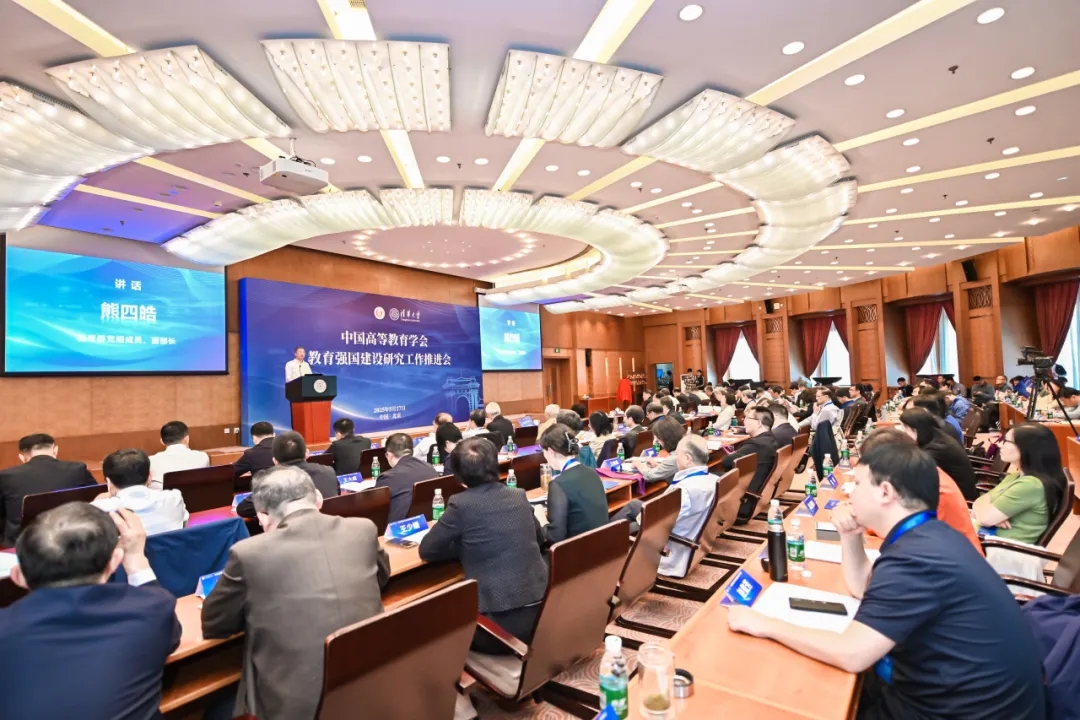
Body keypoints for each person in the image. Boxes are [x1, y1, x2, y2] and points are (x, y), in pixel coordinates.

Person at [727, 442, 1046, 720]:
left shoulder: (917, 559)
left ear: (885, 492)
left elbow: (852, 654)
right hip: (956, 696)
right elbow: (862, 588)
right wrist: (850, 537)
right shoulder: (928, 536)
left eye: (857, 484)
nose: (850, 492)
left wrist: (764, 623)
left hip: (953, 711)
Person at [203, 466, 389, 720]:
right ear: (318, 499)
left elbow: (214, 622)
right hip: (371, 683)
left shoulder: (248, 553)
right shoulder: (362, 529)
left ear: (262, 516)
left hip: (294, 709)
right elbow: (382, 577)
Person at [0, 504, 181, 720]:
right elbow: (171, 636)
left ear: (18, 576)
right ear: (114, 562)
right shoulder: (152, 611)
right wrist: (136, 561)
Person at [419, 438, 547, 653]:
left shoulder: (461, 504)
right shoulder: (518, 495)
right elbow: (539, 538)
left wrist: (464, 547)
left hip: (496, 630)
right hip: (540, 616)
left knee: (431, 617)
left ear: (458, 474)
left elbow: (427, 550)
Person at [859, 428, 982, 553]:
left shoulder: (931, 489)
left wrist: (868, 521)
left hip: (950, 558)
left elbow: (904, 534)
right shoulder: (918, 474)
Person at [615, 435, 719, 577]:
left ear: (687, 458)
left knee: (618, 529)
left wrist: (640, 519)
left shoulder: (682, 491)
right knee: (634, 505)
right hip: (685, 526)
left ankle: (600, 545)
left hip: (670, 545)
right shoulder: (713, 479)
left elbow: (655, 523)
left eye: (677, 454)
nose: (675, 458)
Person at [973, 423, 1066, 544]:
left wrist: (985, 511)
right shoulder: (1015, 476)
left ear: (1026, 448)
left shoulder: (1031, 485)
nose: (999, 444)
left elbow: (984, 518)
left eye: (1006, 441)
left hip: (999, 548)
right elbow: (980, 504)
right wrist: (984, 509)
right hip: (986, 539)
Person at [0, 433, 98, 547]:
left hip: (22, 543)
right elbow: (97, 499)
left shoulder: (5, 476)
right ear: (55, 450)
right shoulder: (78, 469)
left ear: (22, 457)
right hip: (71, 539)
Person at [235, 432, 340, 519]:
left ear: (275, 461)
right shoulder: (328, 471)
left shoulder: (271, 481)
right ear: (307, 453)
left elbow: (243, 509)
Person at [537, 424, 609, 543]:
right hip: (602, 544)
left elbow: (554, 537)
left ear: (550, 452)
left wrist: (540, 518)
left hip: (576, 550)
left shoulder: (557, 484)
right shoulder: (592, 472)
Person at [92, 449, 188, 535]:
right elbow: (184, 522)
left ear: (108, 482)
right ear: (150, 476)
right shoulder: (174, 498)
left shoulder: (99, 509)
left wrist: (97, 502)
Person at [898, 408, 978, 501]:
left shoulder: (935, 450)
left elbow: (915, 478)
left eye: (905, 429)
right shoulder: (934, 435)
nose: (902, 433)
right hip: (953, 492)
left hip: (960, 498)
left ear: (916, 430)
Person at [721, 406, 779, 523]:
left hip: (743, 502)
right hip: (758, 496)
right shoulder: (772, 440)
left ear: (758, 423)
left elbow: (726, 462)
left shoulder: (755, 445)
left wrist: (735, 454)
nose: (744, 421)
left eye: (747, 418)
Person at [376, 432, 439, 522]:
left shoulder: (387, 477)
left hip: (398, 527)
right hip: (428, 522)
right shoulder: (430, 468)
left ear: (388, 455)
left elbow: (377, 511)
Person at [148, 421, 210, 491]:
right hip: (195, 497)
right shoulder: (202, 457)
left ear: (162, 441)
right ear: (187, 439)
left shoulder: (150, 461)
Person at [630, 416, 685, 485]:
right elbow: (670, 469)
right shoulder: (684, 448)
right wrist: (657, 466)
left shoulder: (674, 458)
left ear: (665, 439)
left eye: (658, 440)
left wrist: (638, 465)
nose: (658, 443)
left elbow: (650, 476)